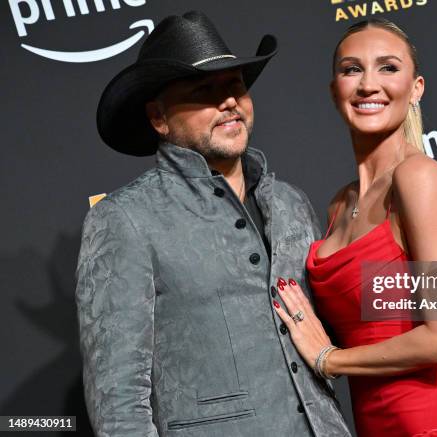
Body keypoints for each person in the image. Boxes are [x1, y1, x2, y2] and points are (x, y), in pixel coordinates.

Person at [75, 11, 353, 437]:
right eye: (203, 91)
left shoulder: (290, 202)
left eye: (235, 85)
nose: (228, 102)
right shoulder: (123, 220)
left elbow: (347, 315)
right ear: (158, 118)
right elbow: (119, 406)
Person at [272, 18, 437, 436]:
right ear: (334, 90)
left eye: (388, 68)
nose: (368, 84)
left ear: (416, 89)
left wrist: (329, 359)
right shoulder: (339, 205)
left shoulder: (418, 177)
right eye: (351, 69)